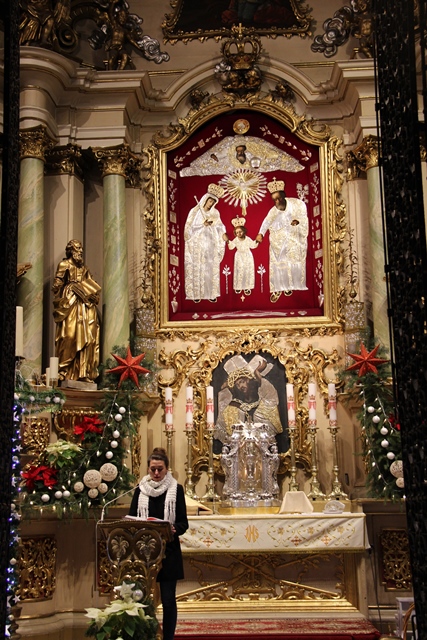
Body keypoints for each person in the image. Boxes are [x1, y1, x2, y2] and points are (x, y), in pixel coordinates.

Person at [129, 448, 189, 640]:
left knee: (168, 599)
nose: (156, 473)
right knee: (141, 597)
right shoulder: (140, 489)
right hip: (144, 553)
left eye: (160, 469)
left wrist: (173, 529)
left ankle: (168, 637)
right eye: (153, 469)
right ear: (148, 469)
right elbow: (131, 518)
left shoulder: (176, 490)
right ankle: (145, 635)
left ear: (167, 469)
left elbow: (183, 523)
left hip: (168, 552)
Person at [52, 239, 101, 382]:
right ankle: (63, 370)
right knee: (69, 335)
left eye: (81, 249)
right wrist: (57, 285)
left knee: (88, 337)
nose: (80, 251)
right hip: (71, 301)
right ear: (71, 251)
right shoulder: (64, 265)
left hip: (85, 304)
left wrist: (94, 295)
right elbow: (57, 283)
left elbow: (91, 285)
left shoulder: (84, 269)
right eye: (78, 248)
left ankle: (83, 372)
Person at [256, 178, 309, 302]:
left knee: (293, 262)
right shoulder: (273, 211)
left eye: (279, 198)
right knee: (279, 265)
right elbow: (266, 222)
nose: (277, 201)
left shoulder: (296, 204)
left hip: (294, 240)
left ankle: (291, 285)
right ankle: (279, 287)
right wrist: (260, 233)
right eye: (274, 200)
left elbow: (303, 217)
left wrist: (298, 222)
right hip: (278, 242)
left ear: (283, 196)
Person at [184, 184, 226, 302]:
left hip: (210, 244)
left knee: (210, 269)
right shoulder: (196, 212)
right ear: (205, 199)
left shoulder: (215, 213)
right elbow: (189, 228)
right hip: (198, 245)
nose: (211, 204)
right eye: (210, 201)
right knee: (198, 268)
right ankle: (196, 294)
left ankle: (211, 294)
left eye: (213, 202)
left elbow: (220, 226)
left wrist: (222, 232)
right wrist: (202, 225)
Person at [225, 219, 259, 294]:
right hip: (239, 256)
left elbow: (252, 245)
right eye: (237, 232)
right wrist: (227, 241)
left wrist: (257, 241)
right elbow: (231, 247)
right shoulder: (236, 240)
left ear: (244, 231)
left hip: (248, 256)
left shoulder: (247, 239)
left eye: (240, 231)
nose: (239, 233)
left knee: (247, 270)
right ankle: (238, 286)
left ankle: (247, 287)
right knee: (239, 270)